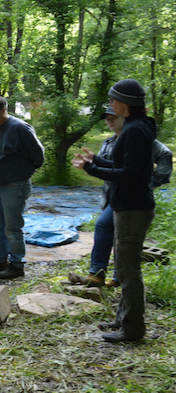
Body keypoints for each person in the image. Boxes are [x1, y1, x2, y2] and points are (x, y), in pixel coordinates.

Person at [72, 79, 156, 342]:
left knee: (129, 271)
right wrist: (96, 159)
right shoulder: (135, 127)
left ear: (126, 102)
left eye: (112, 100)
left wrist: (91, 169)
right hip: (127, 206)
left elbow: (129, 174)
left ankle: (133, 330)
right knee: (124, 265)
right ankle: (123, 319)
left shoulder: (135, 129)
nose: (110, 105)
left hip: (133, 208)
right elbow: (125, 164)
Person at [73, 106, 172, 288]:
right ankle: (115, 277)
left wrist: (152, 182)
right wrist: (95, 160)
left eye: (114, 117)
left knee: (105, 227)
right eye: (107, 118)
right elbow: (114, 166)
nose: (110, 121)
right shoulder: (109, 142)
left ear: (125, 118)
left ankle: (99, 274)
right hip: (113, 196)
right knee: (117, 234)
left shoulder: (140, 137)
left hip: (131, 197)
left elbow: (163, 156)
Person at [0, 96, 45, 279]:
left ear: (4, 110)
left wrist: (19, 171)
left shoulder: (20, 128)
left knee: (12, 226)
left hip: (13, 186)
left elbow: (38, 156)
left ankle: (17, 264)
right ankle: (1, 258)